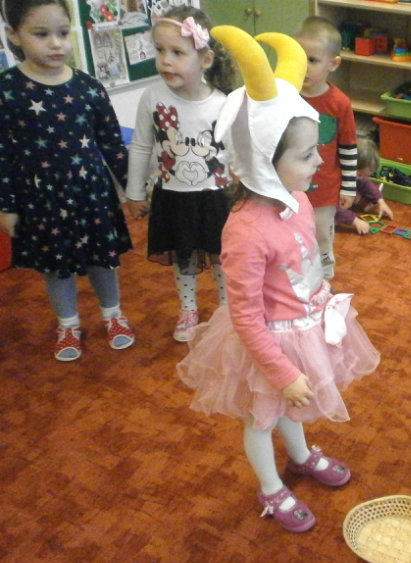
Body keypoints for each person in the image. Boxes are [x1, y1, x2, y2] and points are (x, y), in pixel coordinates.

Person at [177, 26, 380, 533]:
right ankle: (271, 487)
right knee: (263, 416)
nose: (320, 162)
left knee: (295, 407)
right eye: (307, 155)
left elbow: (305, 264)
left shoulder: (299, 199)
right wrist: (282, 372)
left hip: (303, 327)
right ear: (265, 163)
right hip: (268, 344)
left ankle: (302, 455)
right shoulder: (245, 231)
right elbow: (246, 315)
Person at [0, 0, 135, 361]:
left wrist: (134, 189)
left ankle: (113, 315)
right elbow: (2, 154)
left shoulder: (89, 87)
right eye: (41, 34)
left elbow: (112, 145)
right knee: (56, 267)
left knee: (102, 260)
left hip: (92, 195)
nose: (56, 43)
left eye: (63, 32)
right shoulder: (7, 90)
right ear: (14, 35)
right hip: (41, 201)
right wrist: (6, 204)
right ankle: (68, 324)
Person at [125, 6, 235, 342]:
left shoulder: (223, 103)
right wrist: (134, 193)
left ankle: (227, 310)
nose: (165, 61)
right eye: (160, 51)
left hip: (217, 196)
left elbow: (237, 154)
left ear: (205, 59)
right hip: (172, 196)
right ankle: (188, 309)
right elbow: (141, 146)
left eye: (177, 52)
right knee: (182, 255)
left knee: (221, 256)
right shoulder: (153, 97)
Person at [294, 16, 357, 279]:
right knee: (292, 235)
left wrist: (349, 187)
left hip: (325, 191)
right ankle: (297, 277)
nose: (304, 67)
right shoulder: (286, 96)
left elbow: (348, 148)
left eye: (312, 60)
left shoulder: (339, 103)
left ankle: (324, 277)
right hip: (290, 188)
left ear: (333, 63)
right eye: (299, 58)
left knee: (322, 235)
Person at [335, 137, 394, 235]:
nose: (361, 177)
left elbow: (364, 182)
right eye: (359, 174)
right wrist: (354, 221)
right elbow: (332, 206)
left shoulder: (356, 174)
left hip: (345, 192)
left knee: (363, 185)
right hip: (323, 204)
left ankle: (364, 199)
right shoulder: (334, 178)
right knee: (331, 219)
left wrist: (380, 200)